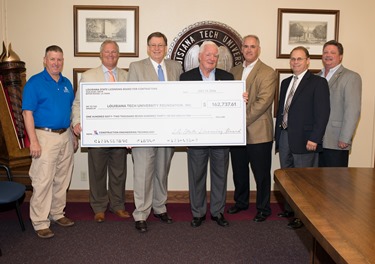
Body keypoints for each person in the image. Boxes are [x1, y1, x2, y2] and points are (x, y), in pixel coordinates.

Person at [127, 32, 183, 233]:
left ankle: (159, 207)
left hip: (168, 131)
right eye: (153, 45)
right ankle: (141, 213)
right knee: (142, 173)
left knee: (162, 171)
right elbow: (130, 101)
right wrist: (130, 133)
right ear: (147, 47)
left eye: (160, 45)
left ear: (166, 47)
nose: (157, 48)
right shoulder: (136, 67)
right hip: (144, 130)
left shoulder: (175, 67)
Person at [71, 40, 130, 223]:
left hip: (119, 134)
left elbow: (131, 105)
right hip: (97, 134)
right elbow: (78, 103)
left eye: (114, 52)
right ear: (100, 54)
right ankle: (99, 207)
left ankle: (118, 205)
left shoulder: (127, 76)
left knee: (119, 172)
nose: (110, 55)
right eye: (107, 52)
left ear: (118, 55)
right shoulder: (88, 76)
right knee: (97, 172)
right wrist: (77, 122)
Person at [22, 45, 76, 239]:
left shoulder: (67, 83)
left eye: (59, 59)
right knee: (42, 180)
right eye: (52, 59)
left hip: (65, 136)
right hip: (43, 136)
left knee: (62, 178)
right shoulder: (35, 83)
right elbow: (27, 113)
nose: (56, 63)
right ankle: (40, 222)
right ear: (44, 60)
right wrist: (34, 141)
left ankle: (57, 213)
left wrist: (72, 135)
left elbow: (70, 112)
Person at [275, 46, 330, 229]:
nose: (295, 62)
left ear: (307, 61)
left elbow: (323, 114)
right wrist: (278, 135)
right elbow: (282, 111)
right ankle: (291, 210)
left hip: (306, 140)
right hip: (284, 136)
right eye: (292, 59)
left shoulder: (317, 82)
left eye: (299, 59)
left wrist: (315, 138)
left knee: (304, 182)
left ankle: (303, 217)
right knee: (288, 177)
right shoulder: (285, 83)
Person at [180, 41, 234, 228]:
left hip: (221, 136)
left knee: (220, 176)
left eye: (215, 56)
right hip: (196, 137)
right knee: (196, 176)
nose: (212, 58)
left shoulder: (228, 78)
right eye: (208, 55)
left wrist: (240, 98)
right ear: (200, 57)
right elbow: (182, 108)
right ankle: (198, 213)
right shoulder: (186, 78)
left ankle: (218, 212)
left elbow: (232, 107)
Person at [227, 35, 277, 222]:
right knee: (239, 170)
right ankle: (241, 202)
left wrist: (239, 121)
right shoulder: (234, 70)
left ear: (259, 49)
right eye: (246, 46)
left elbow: (262, 103)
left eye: (253, 46)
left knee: (261, 173)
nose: (249, 50)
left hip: (258, 132)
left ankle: (264, 208)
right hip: (237, 134)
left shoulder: (268, 72)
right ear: (241, 49)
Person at [318, 40, 362, 167]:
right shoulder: (317, 77)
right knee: (316, 182)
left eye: (332, 52)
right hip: (317, 141)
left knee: (335, 182)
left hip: (337, 140)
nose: (328, 55)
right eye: (325, 52)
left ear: (340, 56)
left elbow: (353, 110)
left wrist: (345, 137)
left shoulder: (351, 77)